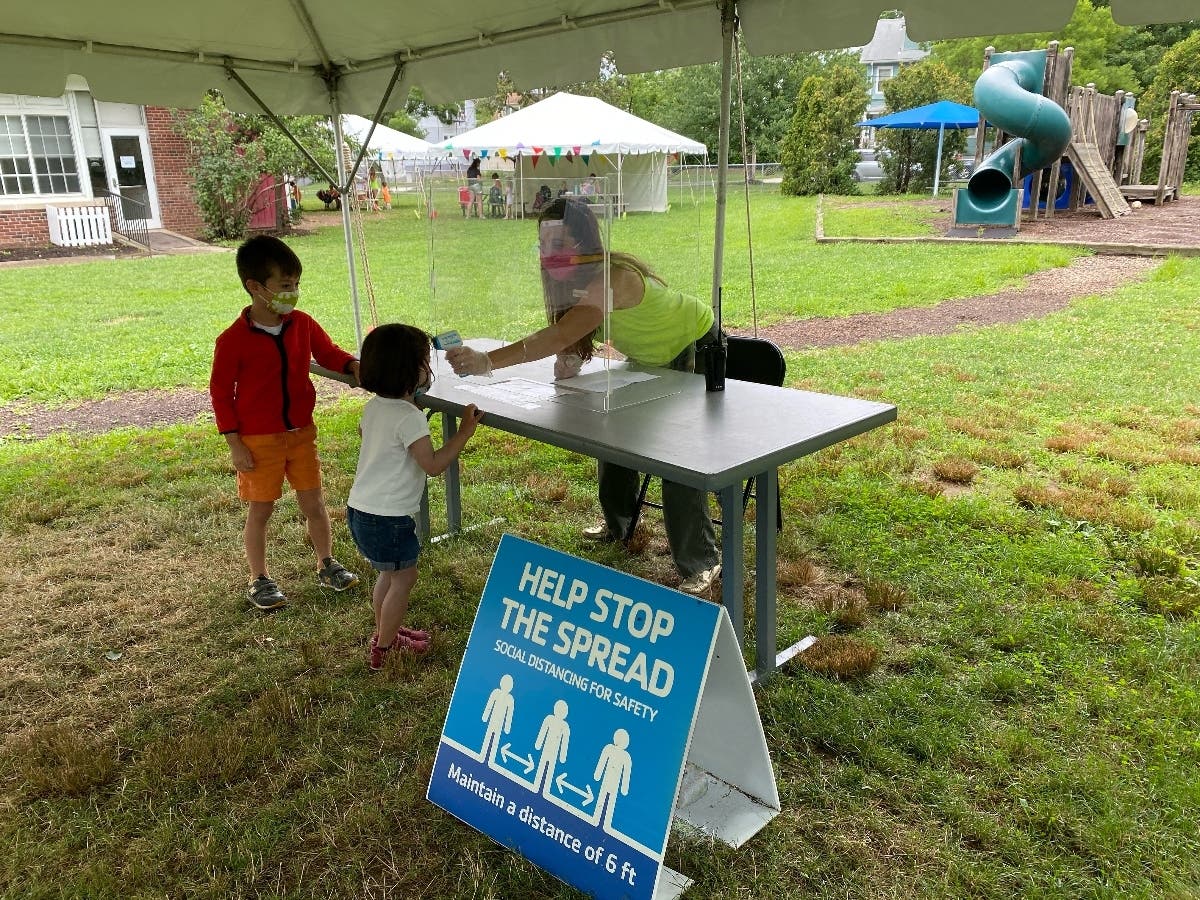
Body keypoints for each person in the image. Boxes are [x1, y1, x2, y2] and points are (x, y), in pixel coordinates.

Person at [446, 198, 723, 595]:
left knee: (677, 454)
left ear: (585, 243)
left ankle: (701, 561)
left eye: (559, 243)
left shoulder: (614, 276)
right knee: (613, 429)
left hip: (694, 345)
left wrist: (487, 360)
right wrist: (572, 355)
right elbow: (571, 332)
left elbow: (559, 332)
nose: (548, 253)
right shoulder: (574, 279)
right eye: (543, 243)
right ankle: (619, 525)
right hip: (649, 358)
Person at [210, 235, 362, 611]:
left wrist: (351, 365)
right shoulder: (232, 340)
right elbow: (220, 394)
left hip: (301, 435)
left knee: (315, 503)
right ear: (255, 287)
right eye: (284, 284)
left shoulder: (302, 324)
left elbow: (328, 352)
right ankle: (259, 578)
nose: (292, 292)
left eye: (296, 284)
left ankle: (326, 563)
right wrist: (234, 443)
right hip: (259, 440)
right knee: (261, 510)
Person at [347, 323, 484, 670]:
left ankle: (385, 631)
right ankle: (385, 648)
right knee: (404, 579)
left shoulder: (374, 407)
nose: (428, 368)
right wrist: (464, 433)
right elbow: (433, 465)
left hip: (361, 510)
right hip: (388, 520)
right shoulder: (410, 418)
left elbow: (370, 436)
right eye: (425, 361)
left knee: (388, 576)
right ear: (411, 370)